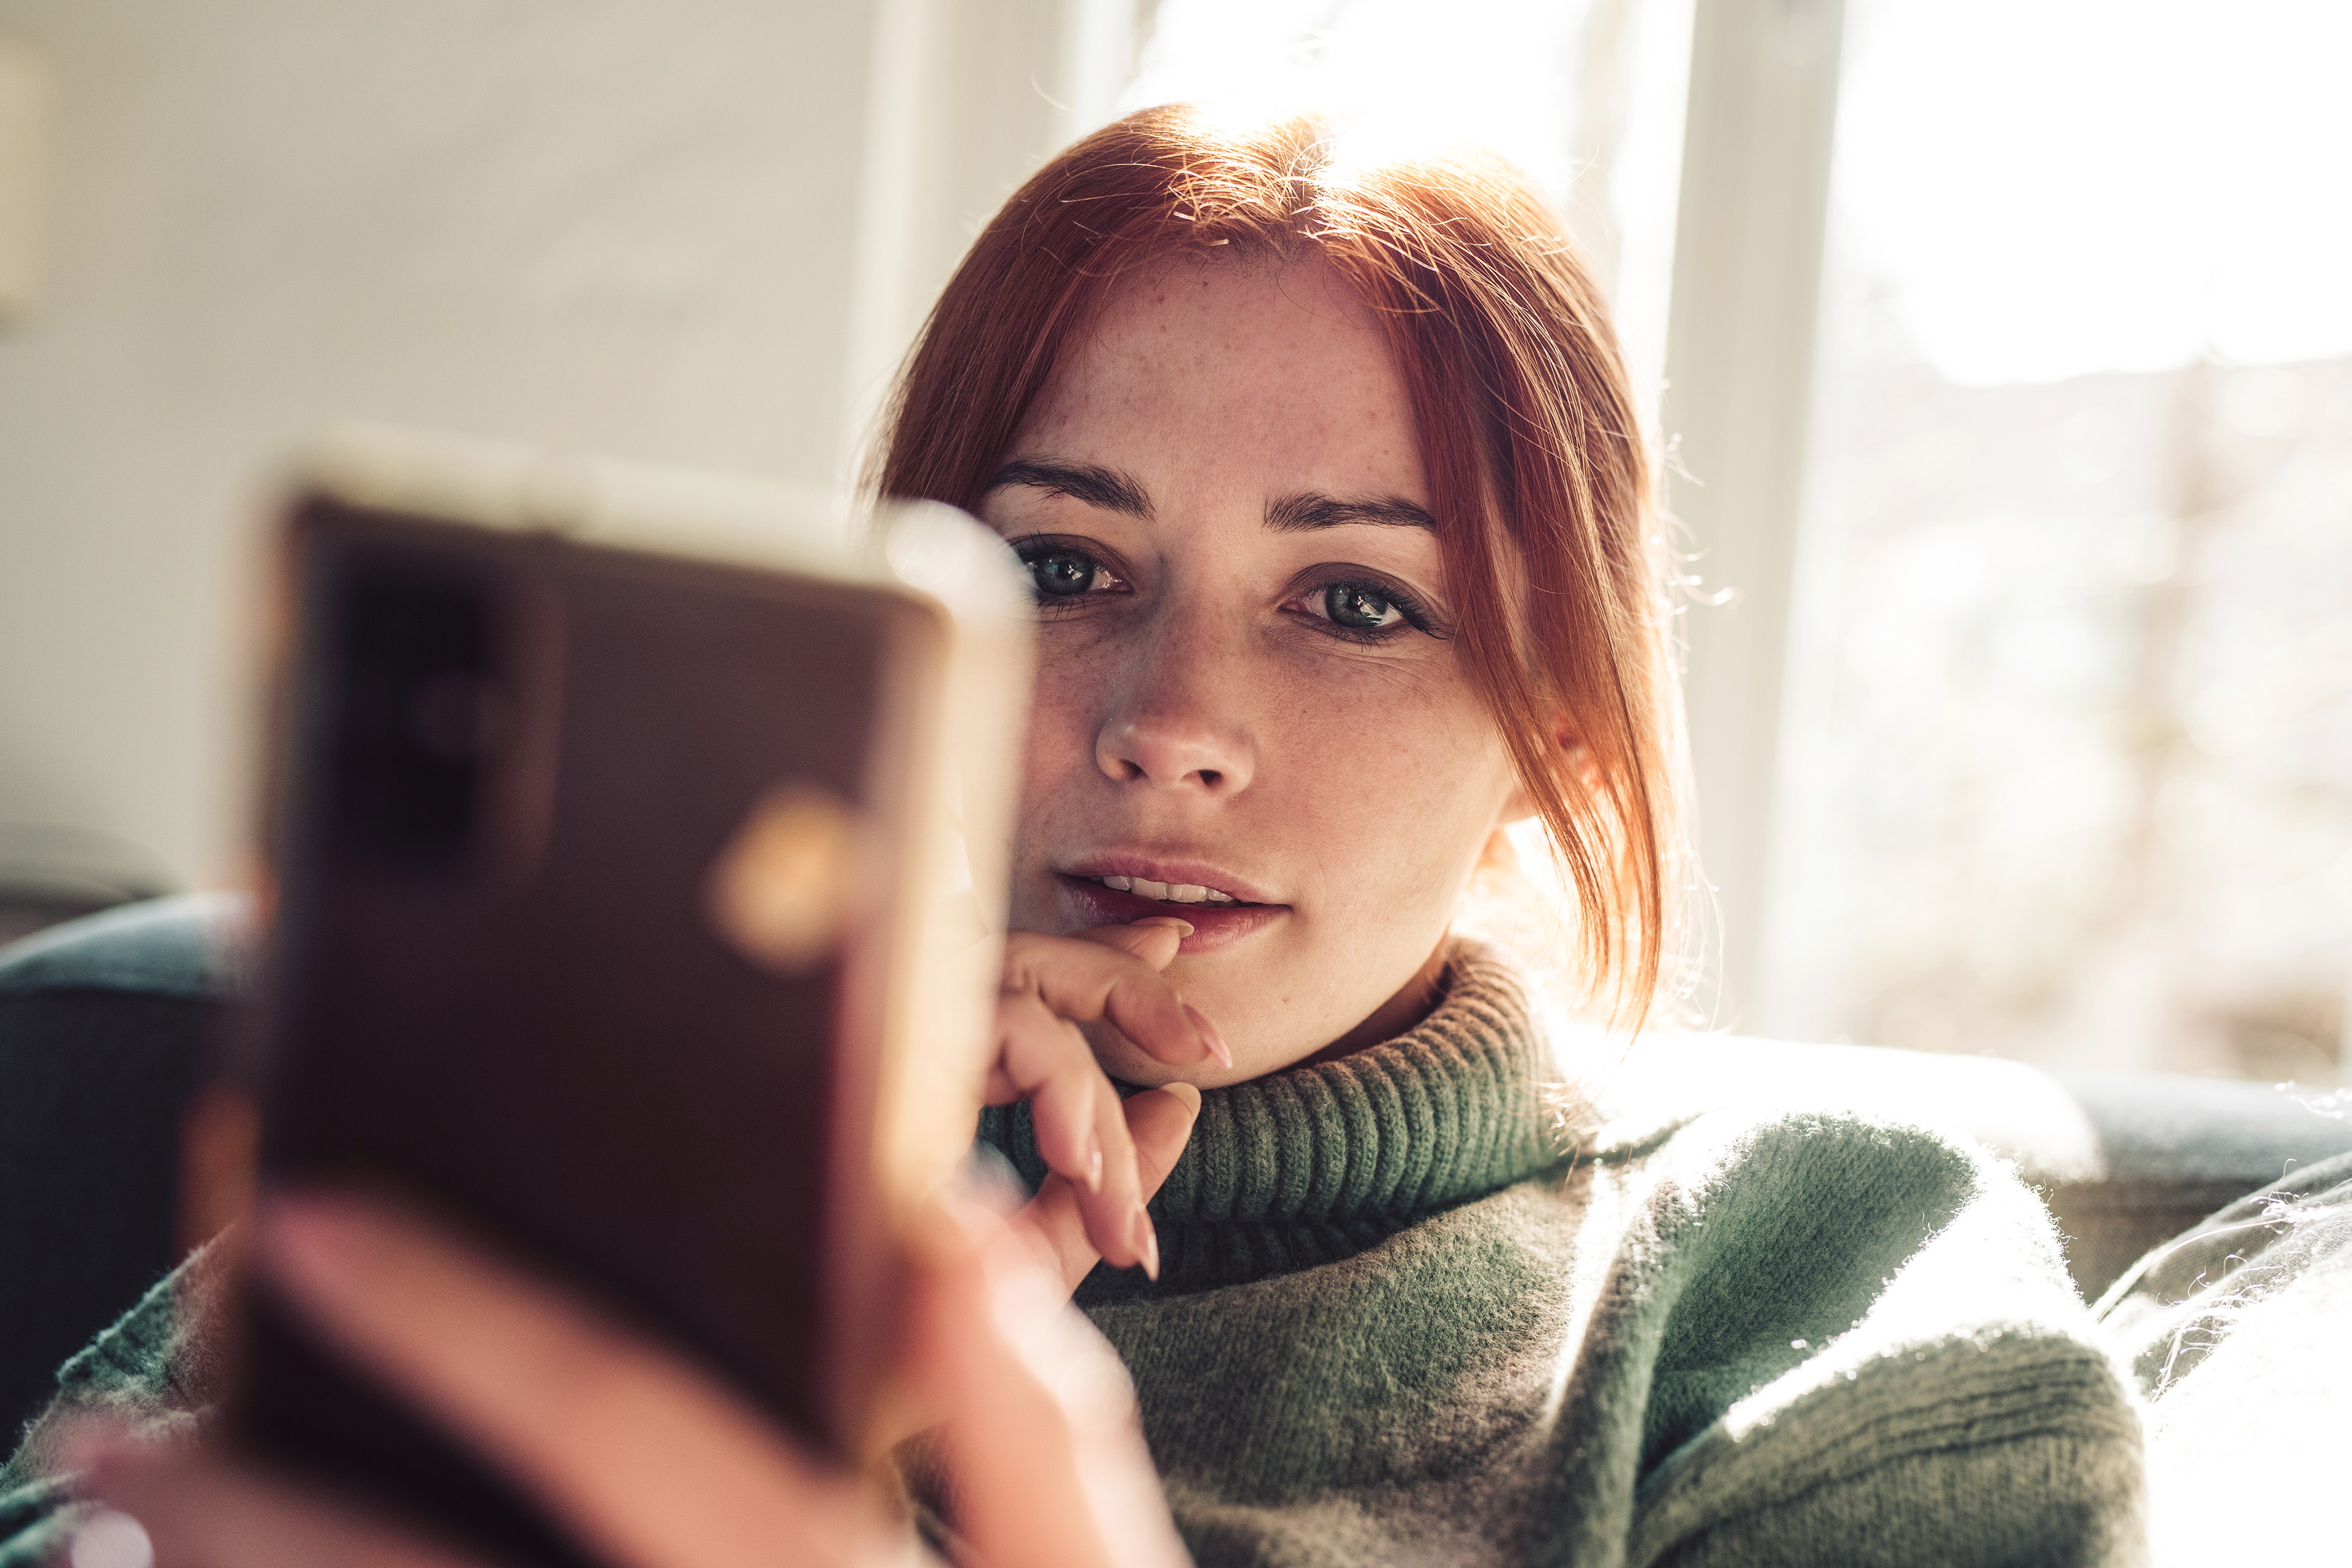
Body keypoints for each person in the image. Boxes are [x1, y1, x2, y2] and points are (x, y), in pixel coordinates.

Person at [0, 106, 2149, 1566]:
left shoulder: (1827, 1285)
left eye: (1358, 603)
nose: (1175, 727)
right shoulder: (604, 1135)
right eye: (1058, 569)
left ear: (1557, 732)